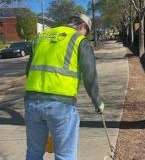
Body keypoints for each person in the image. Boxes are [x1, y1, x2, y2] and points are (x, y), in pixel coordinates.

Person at [24, 13, 104, 160]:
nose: (85, 35)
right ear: (82, 26)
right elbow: (89, 75)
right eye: (86, 32)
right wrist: (97, 101)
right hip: (61, 106)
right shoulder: (79, 40)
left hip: (32, 103)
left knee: (33, 153)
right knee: (65, 156)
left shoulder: (41, 37)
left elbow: (29, 70)